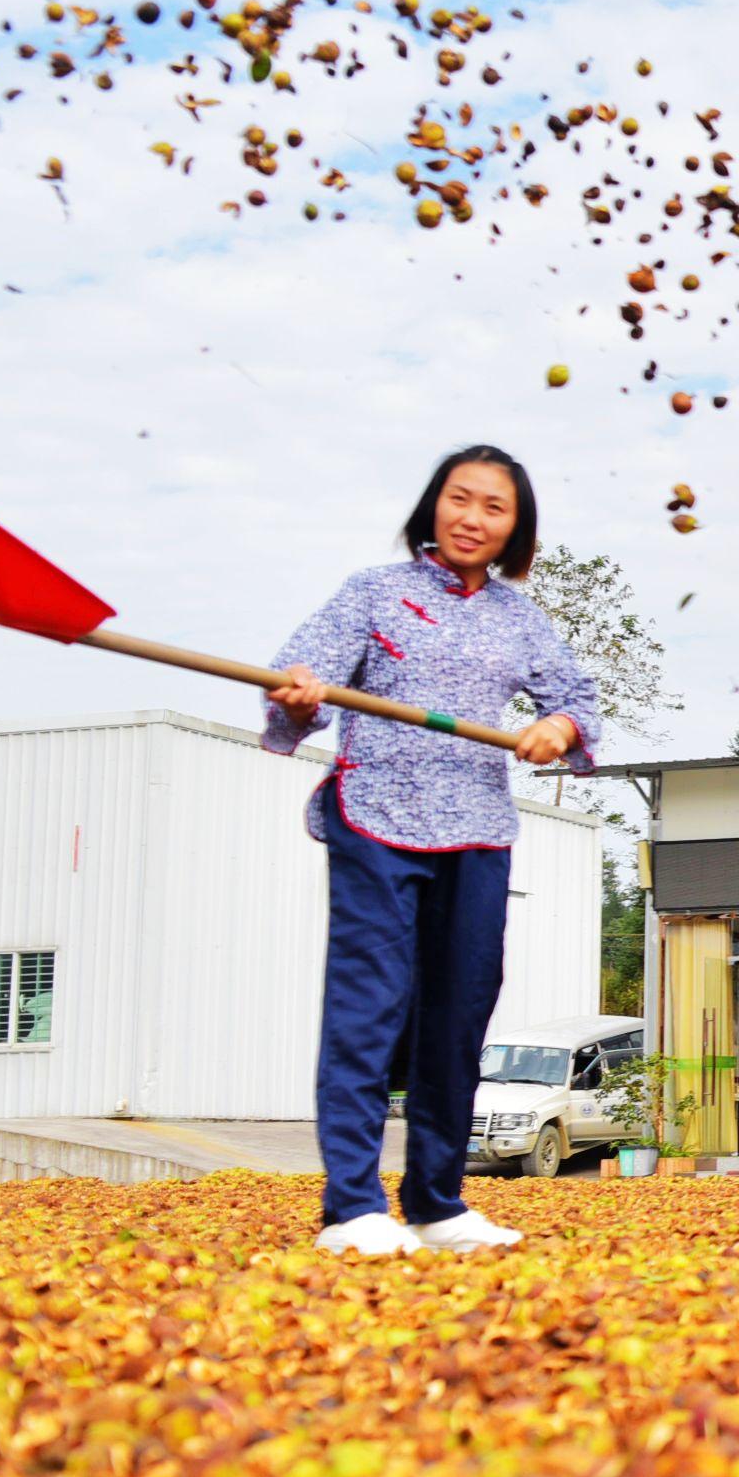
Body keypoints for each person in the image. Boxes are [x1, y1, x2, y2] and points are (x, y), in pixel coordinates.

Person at [263, 447, 602, 1255]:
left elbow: (576, 700)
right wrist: (299, 691)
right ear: (433, 505)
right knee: (369, 1007)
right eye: (461, 499)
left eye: (494, 507)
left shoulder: (520, 618)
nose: (472, 518)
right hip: (377, 815)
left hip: (478, 827)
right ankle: (352, 1206)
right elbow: (294, 672)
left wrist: (557, 728)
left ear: (514, 528)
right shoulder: (374, 593)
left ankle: (437, 1201)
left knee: (459, 1013)